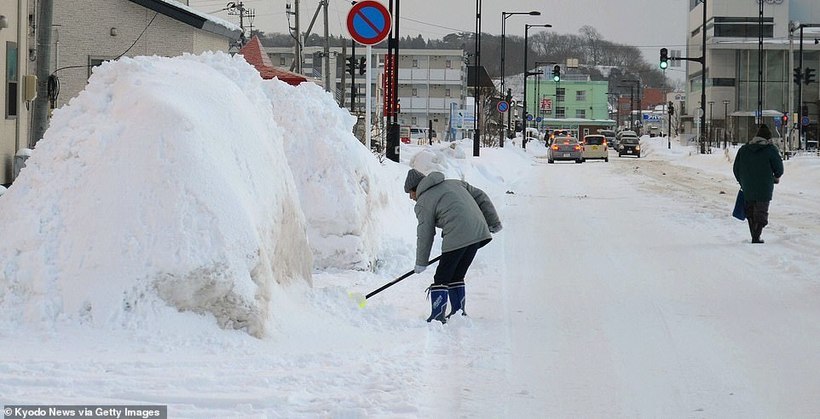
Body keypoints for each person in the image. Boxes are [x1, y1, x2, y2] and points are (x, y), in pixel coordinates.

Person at [404, 168, 502, 323]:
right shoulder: (455, 183)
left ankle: (437, 316)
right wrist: (493, 222)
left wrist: (421, 262)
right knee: (456, 274)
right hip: (478, 232)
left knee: (441, 277)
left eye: (410, 193)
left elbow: (425, 234)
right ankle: (458, 312)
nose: (411, 197)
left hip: (458, 234)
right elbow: (481, 196)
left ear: (416, 188)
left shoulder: (424, 202)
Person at [732, 124, 784, 244]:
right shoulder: (770, 150)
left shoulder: (744, 149)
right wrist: (775, 177)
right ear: (768, 138)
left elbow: (736, 168)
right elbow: (779, 169)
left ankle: (754, 234)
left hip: (748, 186)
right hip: (764, 186)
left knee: (750, 210)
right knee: (761, 210)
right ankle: (756, 236)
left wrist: (742, 181)